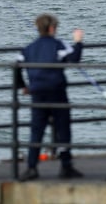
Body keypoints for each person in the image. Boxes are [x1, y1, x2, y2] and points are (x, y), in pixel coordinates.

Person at [15, 13, 84, 181]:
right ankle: (65, 166)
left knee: (36, 131)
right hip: (57, 92)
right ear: (52, 28)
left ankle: (31, 167)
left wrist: (24, 86)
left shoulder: (29, 48)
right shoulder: (58, 45)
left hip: (37, 93)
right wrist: (78, 41)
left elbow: (16, 66)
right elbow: (74, 59)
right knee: (63, 129)